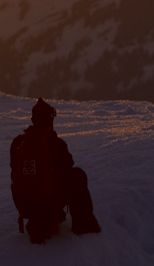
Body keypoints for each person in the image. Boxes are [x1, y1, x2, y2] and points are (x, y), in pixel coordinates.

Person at [9, 98, 102, 244]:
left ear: (33, 120)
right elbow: (68, 167)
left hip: (23, 204)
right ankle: (84, 225)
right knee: (78, 175)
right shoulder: (55, 143)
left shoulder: (18, 143)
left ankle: (42, 218)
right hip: (48, 202)